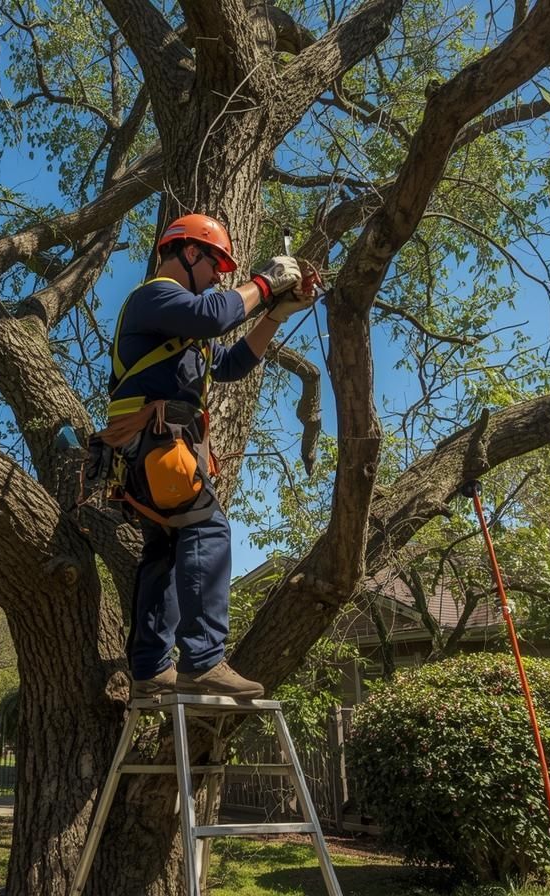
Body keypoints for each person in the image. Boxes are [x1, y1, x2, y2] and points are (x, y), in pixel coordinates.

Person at [103, 213, 317, 699]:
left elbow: (233, 363)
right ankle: (202, 660)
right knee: (207, 528)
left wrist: (276, 314)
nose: (221, 276)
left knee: (166, 549)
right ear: (189, 253)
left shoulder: (184, 334)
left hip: (159, 447)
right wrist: (266, 282)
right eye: (216, 264)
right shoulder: (153, 296)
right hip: (153, 443)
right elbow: (215, 315)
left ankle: (151, 668)